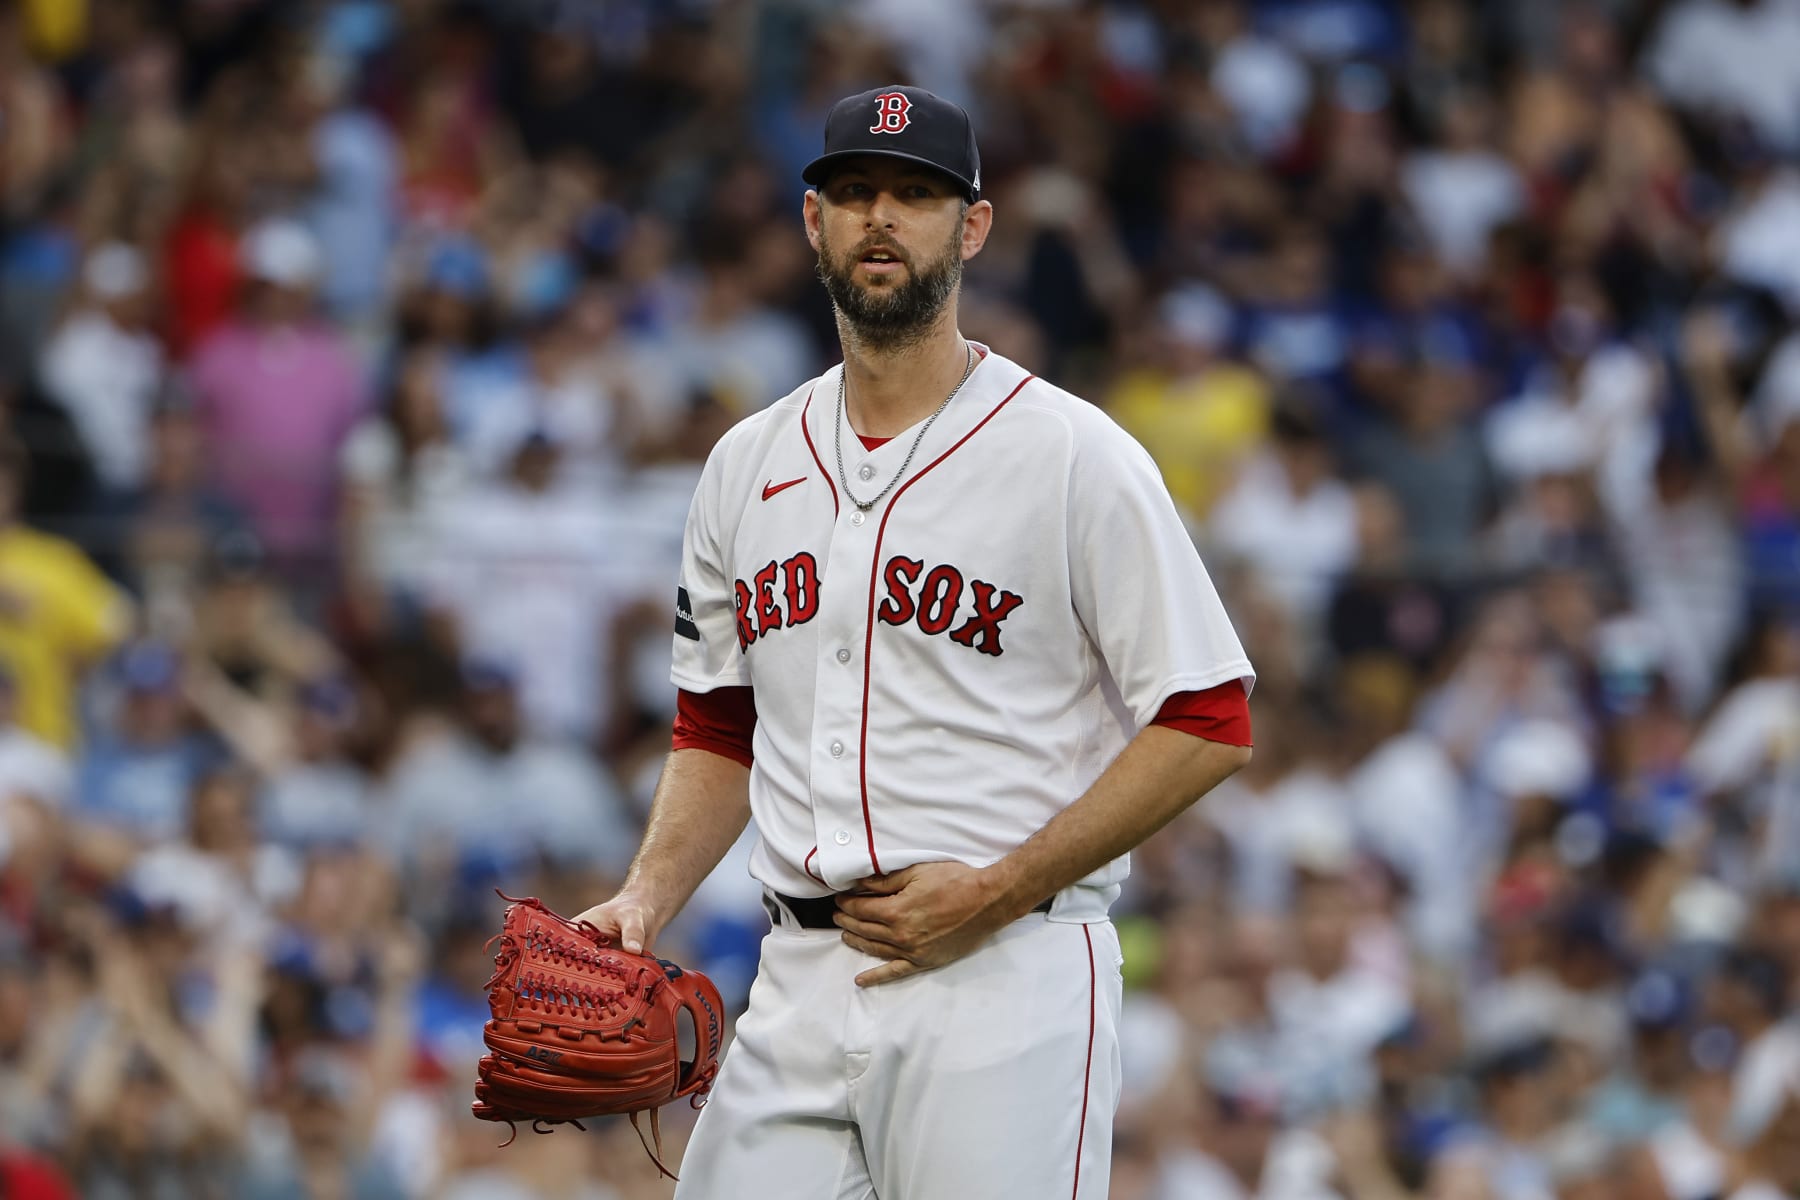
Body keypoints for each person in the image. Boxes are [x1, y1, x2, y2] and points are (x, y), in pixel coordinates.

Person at [574, 85, 1256, 1199]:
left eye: (915, 194)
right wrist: (646, 898)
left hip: (1008, 971)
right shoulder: (745, 465)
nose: (879, 216)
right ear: (812, 223)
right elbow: (717, 723)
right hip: (798, 973)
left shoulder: (1075, 456)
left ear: (972, 228)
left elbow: (1209, 720)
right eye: (852, 192)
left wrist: (999, 886)